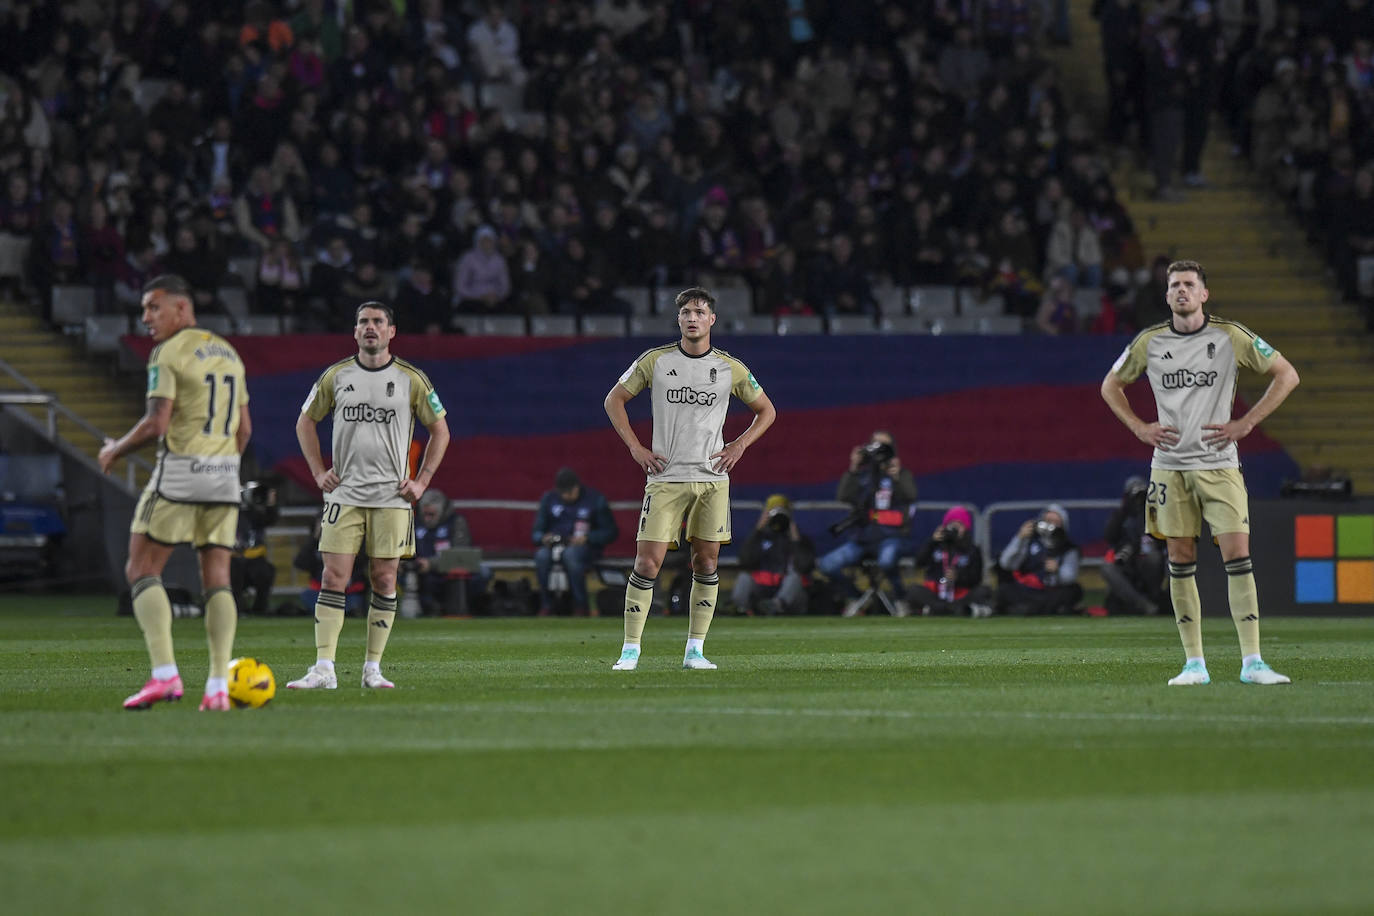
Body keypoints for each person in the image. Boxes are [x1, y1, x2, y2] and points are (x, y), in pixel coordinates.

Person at [1101, 258, 1300, 686]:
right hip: (1170, 468)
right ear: (1166, 293)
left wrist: (1246, 424)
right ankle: (1194, 664)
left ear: (1204, 294)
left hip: (1219, 464)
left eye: (1189, 284)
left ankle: (1253, 663)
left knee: (1237, 555)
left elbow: (1287, 374)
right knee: (1180, 559)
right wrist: (1139, 426)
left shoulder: (1230, 336)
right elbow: (1110, 385)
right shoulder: (1149, 342)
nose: (1181, 291)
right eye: (1174, 285)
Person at [97, 274, 252, 711]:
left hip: (182, 472)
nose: (145, 317)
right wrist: (222, 464)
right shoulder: (229, 352)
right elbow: (244, 429)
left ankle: (165, 676)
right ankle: (218, 687)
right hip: (225, 473)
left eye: (153, 307)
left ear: (181, 309)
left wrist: (116, 448)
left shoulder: (167, 353)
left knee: (141, 569)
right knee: (217, 578)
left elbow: (157, 423)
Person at [603, 286, 776, 670]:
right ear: (678, 320)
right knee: (648, 563)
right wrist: (635, 447)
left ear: (712, 319)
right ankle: (630, 649)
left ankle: (694, 650)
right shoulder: (656, 361)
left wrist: (740, 445)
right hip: (666, 478)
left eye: (699, 311)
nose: (692, 318)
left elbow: (766, 410)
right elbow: (613, 399)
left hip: (712, 479)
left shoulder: (731, 367)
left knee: (706, 562)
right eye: (686, 312)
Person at [285, 300, 451, 690]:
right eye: (363, 321)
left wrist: (423, 480)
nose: (370, 327)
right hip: (345, 495)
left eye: (378, 321)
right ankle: (324, 668)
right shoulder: (337, 376)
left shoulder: (413, 379)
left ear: (392, 331)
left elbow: (441, 430)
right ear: (355, 331)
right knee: (333, 576)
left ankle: (371, 669)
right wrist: (317, 472)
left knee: (384, 577)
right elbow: (305, 422)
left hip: (392, 499)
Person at [817, 431, 918, 617]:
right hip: (862, 538)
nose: (879, 450)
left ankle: (900, 598)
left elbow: (910, 496)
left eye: (884, 446)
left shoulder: (900, 475)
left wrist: (896, 477)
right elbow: (844, 496)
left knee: (887, 561)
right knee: (826, 565)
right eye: (875, 445)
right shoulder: (863, 476)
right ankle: (856, 596)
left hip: (891, 537)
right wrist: (853, 468)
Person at [532, 467, 619, 617]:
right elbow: (536, 533)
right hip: (555, 546)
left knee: (571, 555)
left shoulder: (595, 500)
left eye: (569, 492)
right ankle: (546, 605)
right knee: (541, 556)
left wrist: (588, 538)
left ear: (577, 487)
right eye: (562, 493)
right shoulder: (549, 499)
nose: (566, 496)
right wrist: (543, 538)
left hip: (585, 548)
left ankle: (581, 606)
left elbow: (610, 532)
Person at [406, 488, 490, 615]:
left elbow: (460, 554)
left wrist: (431, 564)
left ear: (440, 510)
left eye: (431, 514)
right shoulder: (414, 523)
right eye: (425, 514)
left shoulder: (456, 522)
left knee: (484, 571)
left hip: (450, 571)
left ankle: (474, 608)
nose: (427, 518)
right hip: (420, 571)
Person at [731, 493, 816, 616]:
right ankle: (740, 609)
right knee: (744, 577)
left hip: (790, 596)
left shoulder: (800, 539)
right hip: (762, 589)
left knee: (794, 578)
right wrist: (758, 530)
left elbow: (805, 567)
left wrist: (796, 540)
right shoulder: (760, 538)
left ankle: (775, 606)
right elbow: (745, 561)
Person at [996, 504, 1084, 616]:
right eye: (1048, 521)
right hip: (1028, 590)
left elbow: (1070, 577)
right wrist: (1019, 538)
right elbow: (1006, 563)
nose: (1051, 525)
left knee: (1074, 591)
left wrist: (1057, 570)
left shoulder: (1069, 548)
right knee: (1004, 589)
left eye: (1056, 522)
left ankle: (1029, 610)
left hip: (1052, 591)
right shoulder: (1029, 540)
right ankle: (1042, 610)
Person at [1100, 475, 1168, 616]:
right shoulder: (1121, 515)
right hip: (1126, 564)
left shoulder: (1154, 514)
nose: (1138, 499)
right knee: (1106, 567)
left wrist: (1148, 509)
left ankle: (1154, 598)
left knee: (1154, 557)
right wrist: (1125, 508)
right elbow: (1109, 537)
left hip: (1148, 565)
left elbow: (1163, 541)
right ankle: (1144, 605)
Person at [907, 506, 992, 617]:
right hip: (936, 593)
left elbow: (976, 578)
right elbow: (919, 563)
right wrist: (931, 542)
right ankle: (954, 610)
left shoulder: (972, 549)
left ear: (966, 528)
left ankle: (937, 610)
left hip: (960, 593)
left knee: (984, 591)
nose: (955, 528)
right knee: (914, 590)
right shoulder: (936, 545)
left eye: (959, 525)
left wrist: (958, 577)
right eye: (952, 524)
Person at [230, 477, 278, 616]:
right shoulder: (231, 510)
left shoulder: (256, 513)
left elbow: (270, 520)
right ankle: (237, 609)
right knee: (233, 574)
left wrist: (270, 504)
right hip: (233, 557)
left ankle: (260, 608)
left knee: (266, 572)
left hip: (254, 558)